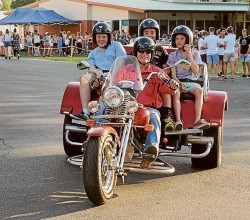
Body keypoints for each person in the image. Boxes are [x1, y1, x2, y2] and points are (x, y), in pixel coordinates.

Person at [113, 36, 179, 168]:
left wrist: (172, 85)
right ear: (136, 52)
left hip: (148, 108)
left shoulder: (157, 72)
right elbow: (114, 85)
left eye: (148, 52)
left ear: (152, 54)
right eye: (141, 51)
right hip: (127, 107)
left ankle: (151, 150)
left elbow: (166, 88)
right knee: (108, 114)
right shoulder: (125, 71)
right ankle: (101, 143)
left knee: (154, 117)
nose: (144, 54)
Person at [73, 22, 127, 120]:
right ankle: (85, 111)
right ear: (94, 38)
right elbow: (91, 67)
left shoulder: (116, 45)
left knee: (105, 89)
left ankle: (102, 115)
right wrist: (97, 73)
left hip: (113, 74)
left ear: (109, 37)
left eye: (104, 36)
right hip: (98, 74)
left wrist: (112, 75)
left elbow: (122, 61)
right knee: (83, 79)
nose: (101, 39)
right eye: (98, 37)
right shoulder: (93, 53)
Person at [167, 25, 210, 130]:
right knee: (175, 92)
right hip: (178, 82)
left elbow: (196, 71)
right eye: (177, 38)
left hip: (192, 82)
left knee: (199, 91)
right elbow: (173, 75)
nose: (179, 41)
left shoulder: (195, 53)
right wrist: (179, 83)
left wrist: (189, 54)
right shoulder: (172, 55)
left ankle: (197, 120)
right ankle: (178, 120)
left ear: (187, 39)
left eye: (182, 38)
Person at [138, 18, 174, 131]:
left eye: (152, 32)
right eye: (146, 32)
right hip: (140, 77)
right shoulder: (137, 46)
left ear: (157, 34)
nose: (149, 35)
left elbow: (166, 67)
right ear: (141, 34)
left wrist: (160, 75)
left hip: (156, 78)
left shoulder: (161, 49)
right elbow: (131, 64)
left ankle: (166, 115)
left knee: (164, 87)